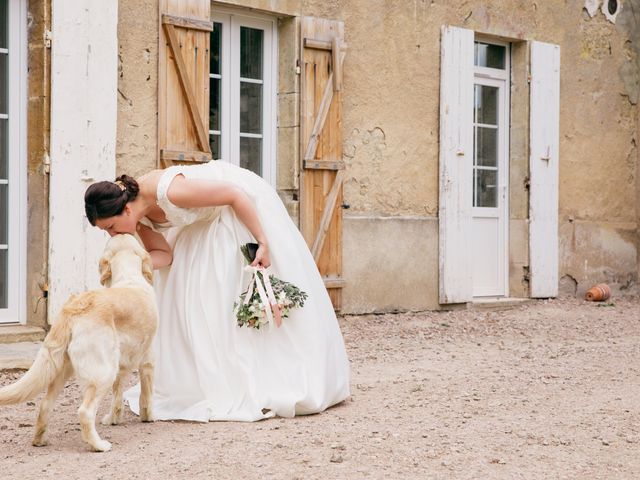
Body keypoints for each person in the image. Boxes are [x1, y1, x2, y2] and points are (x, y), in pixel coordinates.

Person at [84, 160, 350, 422]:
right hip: (200, 225)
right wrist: (131, 264)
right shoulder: (138, 223)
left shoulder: (168, 191)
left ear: (126, 211)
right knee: (193, 300)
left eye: (110, 227)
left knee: (226, 286)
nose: (111, 235)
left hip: (236, 209)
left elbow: (234, 195)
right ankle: (209, 379)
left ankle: (275, 375)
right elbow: (165, 255)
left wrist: (262, 242)